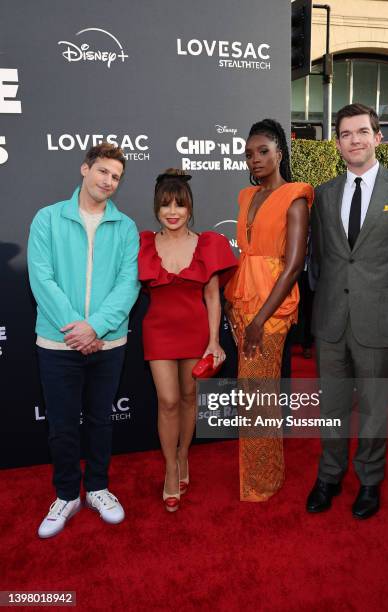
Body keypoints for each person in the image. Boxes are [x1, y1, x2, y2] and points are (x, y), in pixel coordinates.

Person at [308, 103, 388, 519]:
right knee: (331, 407)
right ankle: (329, 475)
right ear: (338, 143)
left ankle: (369, 480)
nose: (354, 140)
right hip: (331, 321)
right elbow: (321, 257)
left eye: (362, 131)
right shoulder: (324, 195)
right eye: (346, 134)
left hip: (380, 320)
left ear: (378, 137)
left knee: (377, 408)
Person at [28, 143, 140, 538]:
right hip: (58, 343)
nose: (109, 181)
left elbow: (128, 286)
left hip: (108, 344)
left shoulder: (125, 228)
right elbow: (42, 280)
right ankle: (65, 495)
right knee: (61, 426)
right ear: (84, 169)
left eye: (116, 177)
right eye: (103, 172)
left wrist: (96, 328)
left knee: (100, 421)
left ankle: (96, 487)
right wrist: (77, 328)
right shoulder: (47, 219)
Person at [138, 169, 237, 512]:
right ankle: (170, 468)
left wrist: (215, 341)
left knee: (188, 396)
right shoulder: (145, 244)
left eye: (180, 204)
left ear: (190, 207)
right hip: (158, 331)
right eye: (166, 204)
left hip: (196, 332)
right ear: (156, 208)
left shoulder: (208, 243)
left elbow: (213, 297)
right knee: (167, 401)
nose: (173, 211)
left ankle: (183, 455)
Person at [224, 119, 313, 502]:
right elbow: (247, 254)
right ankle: (261, 474)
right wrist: (233, 302)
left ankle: (263, 482)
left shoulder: (295, 196)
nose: (255, 159)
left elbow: (293, 265)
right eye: (249, 153)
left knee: (259, 392)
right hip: (244, 299)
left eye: (263, 151)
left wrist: (260, 319)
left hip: (271, 307)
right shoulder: (246, 196)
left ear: (280, 152)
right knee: (252, 392)